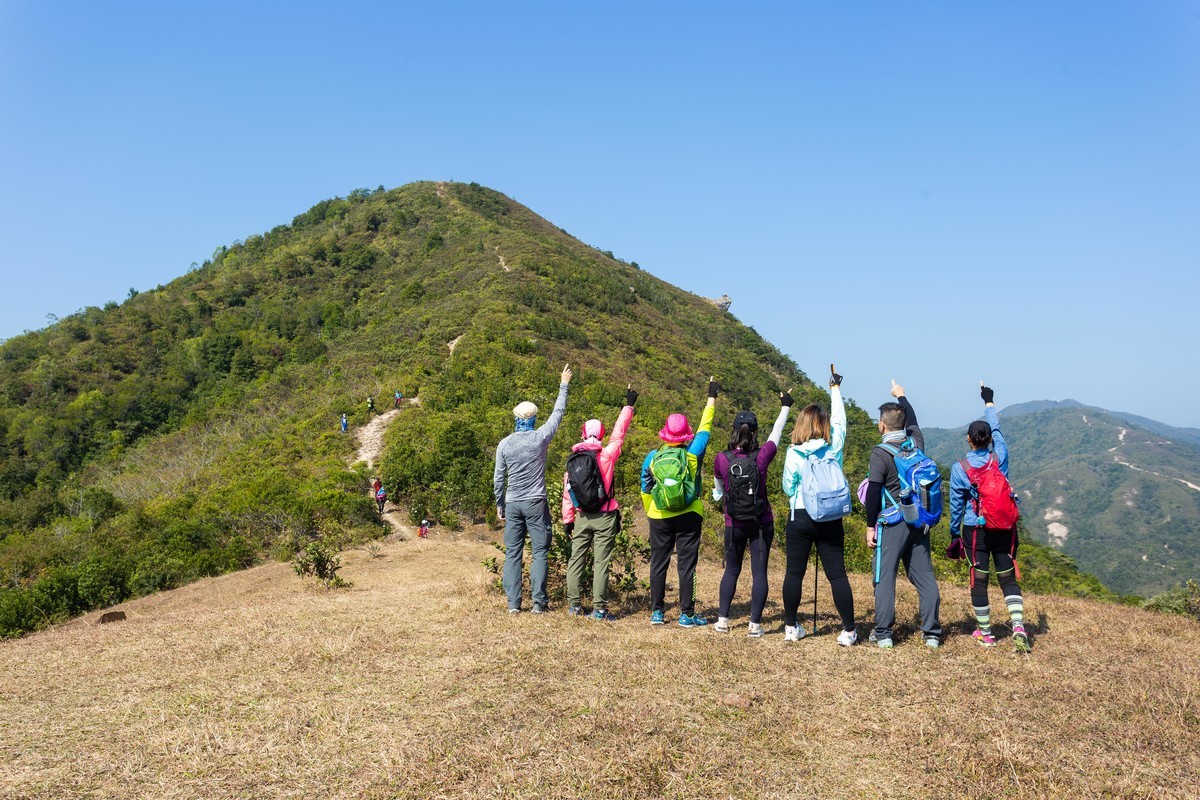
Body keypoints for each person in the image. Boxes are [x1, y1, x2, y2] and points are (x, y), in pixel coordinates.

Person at [949, 383, 1029, 653]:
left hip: (976, 530)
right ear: (989, 440)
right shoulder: (1000, 456)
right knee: (1007, 577)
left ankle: (986, 634)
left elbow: (957, 504)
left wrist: (953, 532)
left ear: (969, 440)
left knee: (979, 579)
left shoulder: (961, 468)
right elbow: (998, 430)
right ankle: (1018, 626)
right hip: (1005, 527)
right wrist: (989, 402)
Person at [863, 380, 942, 648]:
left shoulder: (880, 453)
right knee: (924, 576)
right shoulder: (916, 443)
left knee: (884, 576)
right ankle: (931, 632)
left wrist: (870, 526)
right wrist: (902, 396)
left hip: (893, 523)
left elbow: (873, 493)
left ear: (882, 425)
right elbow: (914, 421)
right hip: (919, 521)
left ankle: (884, 634)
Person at [781, 370, 856, 645]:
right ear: (823, 425)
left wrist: (798, 497)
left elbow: (788, 486)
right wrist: (835, 389)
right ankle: (849, 630)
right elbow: (841, 422)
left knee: (794, 572)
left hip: (799, 515)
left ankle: (791, 627)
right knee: (837, 573)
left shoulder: (793, 452)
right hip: (829, 516)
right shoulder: (832, 447)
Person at [712, 391, 792, 637]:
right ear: (755, 432)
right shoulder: (762, 457)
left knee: (732, 570)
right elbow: (776, 434)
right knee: (759, 573)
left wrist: (722, 496)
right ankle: (754, 625)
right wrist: (785, 407)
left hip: (733, 523)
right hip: (761, 522)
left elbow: (718, 491)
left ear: (734, 431)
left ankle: (723, 621)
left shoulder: (722, 459)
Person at [494, 364, 572, 614]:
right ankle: (538, 603)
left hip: (513, 502)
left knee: (513, 553)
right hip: (536, 502)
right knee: (539, 552)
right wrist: (563, 385)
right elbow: (558, 414)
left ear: (515, 419)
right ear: (534, 419)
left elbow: (499, 479)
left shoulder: (504, 445)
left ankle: (513, 604)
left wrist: (500, 504)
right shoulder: (540, 438)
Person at [640, 377, 718, 627]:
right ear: (685, 434)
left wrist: (650, 509)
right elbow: (706, 427)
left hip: (658, 514)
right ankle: (686, 614)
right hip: (689, 514)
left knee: (658, 563)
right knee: (687, 565)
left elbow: (645, 487)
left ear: (665, 432)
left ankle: (657, 612)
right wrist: (711, 398)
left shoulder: (653, 457)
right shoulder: (692, 454)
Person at [561, 385, 637, 620]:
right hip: (605, 515)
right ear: (601, 435)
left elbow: (568, 493)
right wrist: (629, 406)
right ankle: (599, 610)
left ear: (582, 435)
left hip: (582, 516)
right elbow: (619, 434)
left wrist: (568, 521)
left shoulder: (574, 460)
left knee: (576, 560)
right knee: (601, 562)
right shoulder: (607, 455)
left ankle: (574, 607)